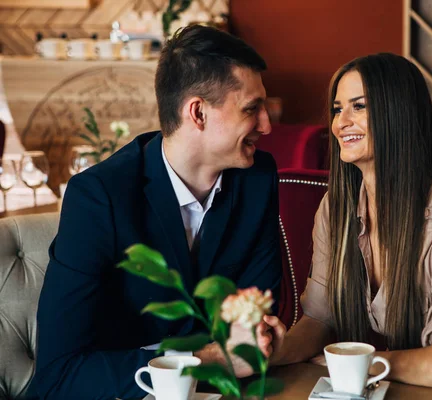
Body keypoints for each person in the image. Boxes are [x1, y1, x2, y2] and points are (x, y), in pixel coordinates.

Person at [34, 25, 281, 399]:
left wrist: (257, 339)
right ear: (197, 113)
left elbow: (254, 321)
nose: (266, 125)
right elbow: (59, 375)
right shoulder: (99, 197)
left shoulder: (256, 180)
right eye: (251, 109)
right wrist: (207, 358)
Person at [264, 53, 432, 397]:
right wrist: (275, 352)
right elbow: (320, 320)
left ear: (398, 114)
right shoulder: (336, 208)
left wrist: (360, 364)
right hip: (389, 387)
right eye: (338, 109)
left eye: (359, 107)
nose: (340, 123)